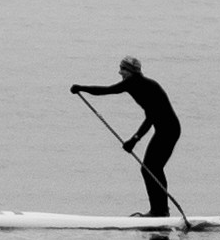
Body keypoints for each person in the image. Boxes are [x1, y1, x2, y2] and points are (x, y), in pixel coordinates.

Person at [72, 57, 183, 220]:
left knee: (151, 168)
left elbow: (151, 117)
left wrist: (134, 139)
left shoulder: (144, 85)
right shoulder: (134, 83)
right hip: (164, 129)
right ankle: (160, 210)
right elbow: (107, 91)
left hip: (169, 130)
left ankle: (159, 211)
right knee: (151, 168)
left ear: (131, 71)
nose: (120, 72)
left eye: (123, 69)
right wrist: (81, 88)